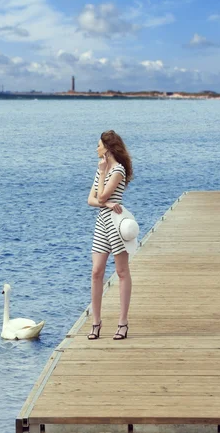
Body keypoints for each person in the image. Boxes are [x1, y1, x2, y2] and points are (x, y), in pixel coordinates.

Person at [86, 130, 134, 340]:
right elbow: (90, 199)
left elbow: (102, 194)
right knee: (96, 272)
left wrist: (103, 174)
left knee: (122, 272)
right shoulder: (101, 169)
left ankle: (122, 323)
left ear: (107, 148)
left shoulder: (117, 171)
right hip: (101, 223)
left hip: (116, 224)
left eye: (98, 145)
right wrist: (106, 203)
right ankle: (96, 322)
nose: (96, 149)